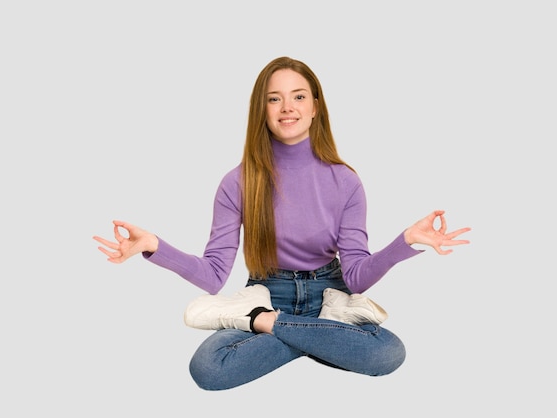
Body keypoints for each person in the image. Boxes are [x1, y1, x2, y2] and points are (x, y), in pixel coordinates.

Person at [93, 56, 471, 391]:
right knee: (208, 368)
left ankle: (269, 326)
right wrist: (153, 246)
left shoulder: (345, 181)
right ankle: (323, 337)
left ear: (315, 107)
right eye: (274, 98)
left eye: (299, 96)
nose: (287, 107)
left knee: (389, 354)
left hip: (330, 294)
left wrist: (404, 242)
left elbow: (356, 277)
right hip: (266, 293)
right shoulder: (237, 182)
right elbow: (212, 276)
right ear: (262, 109)